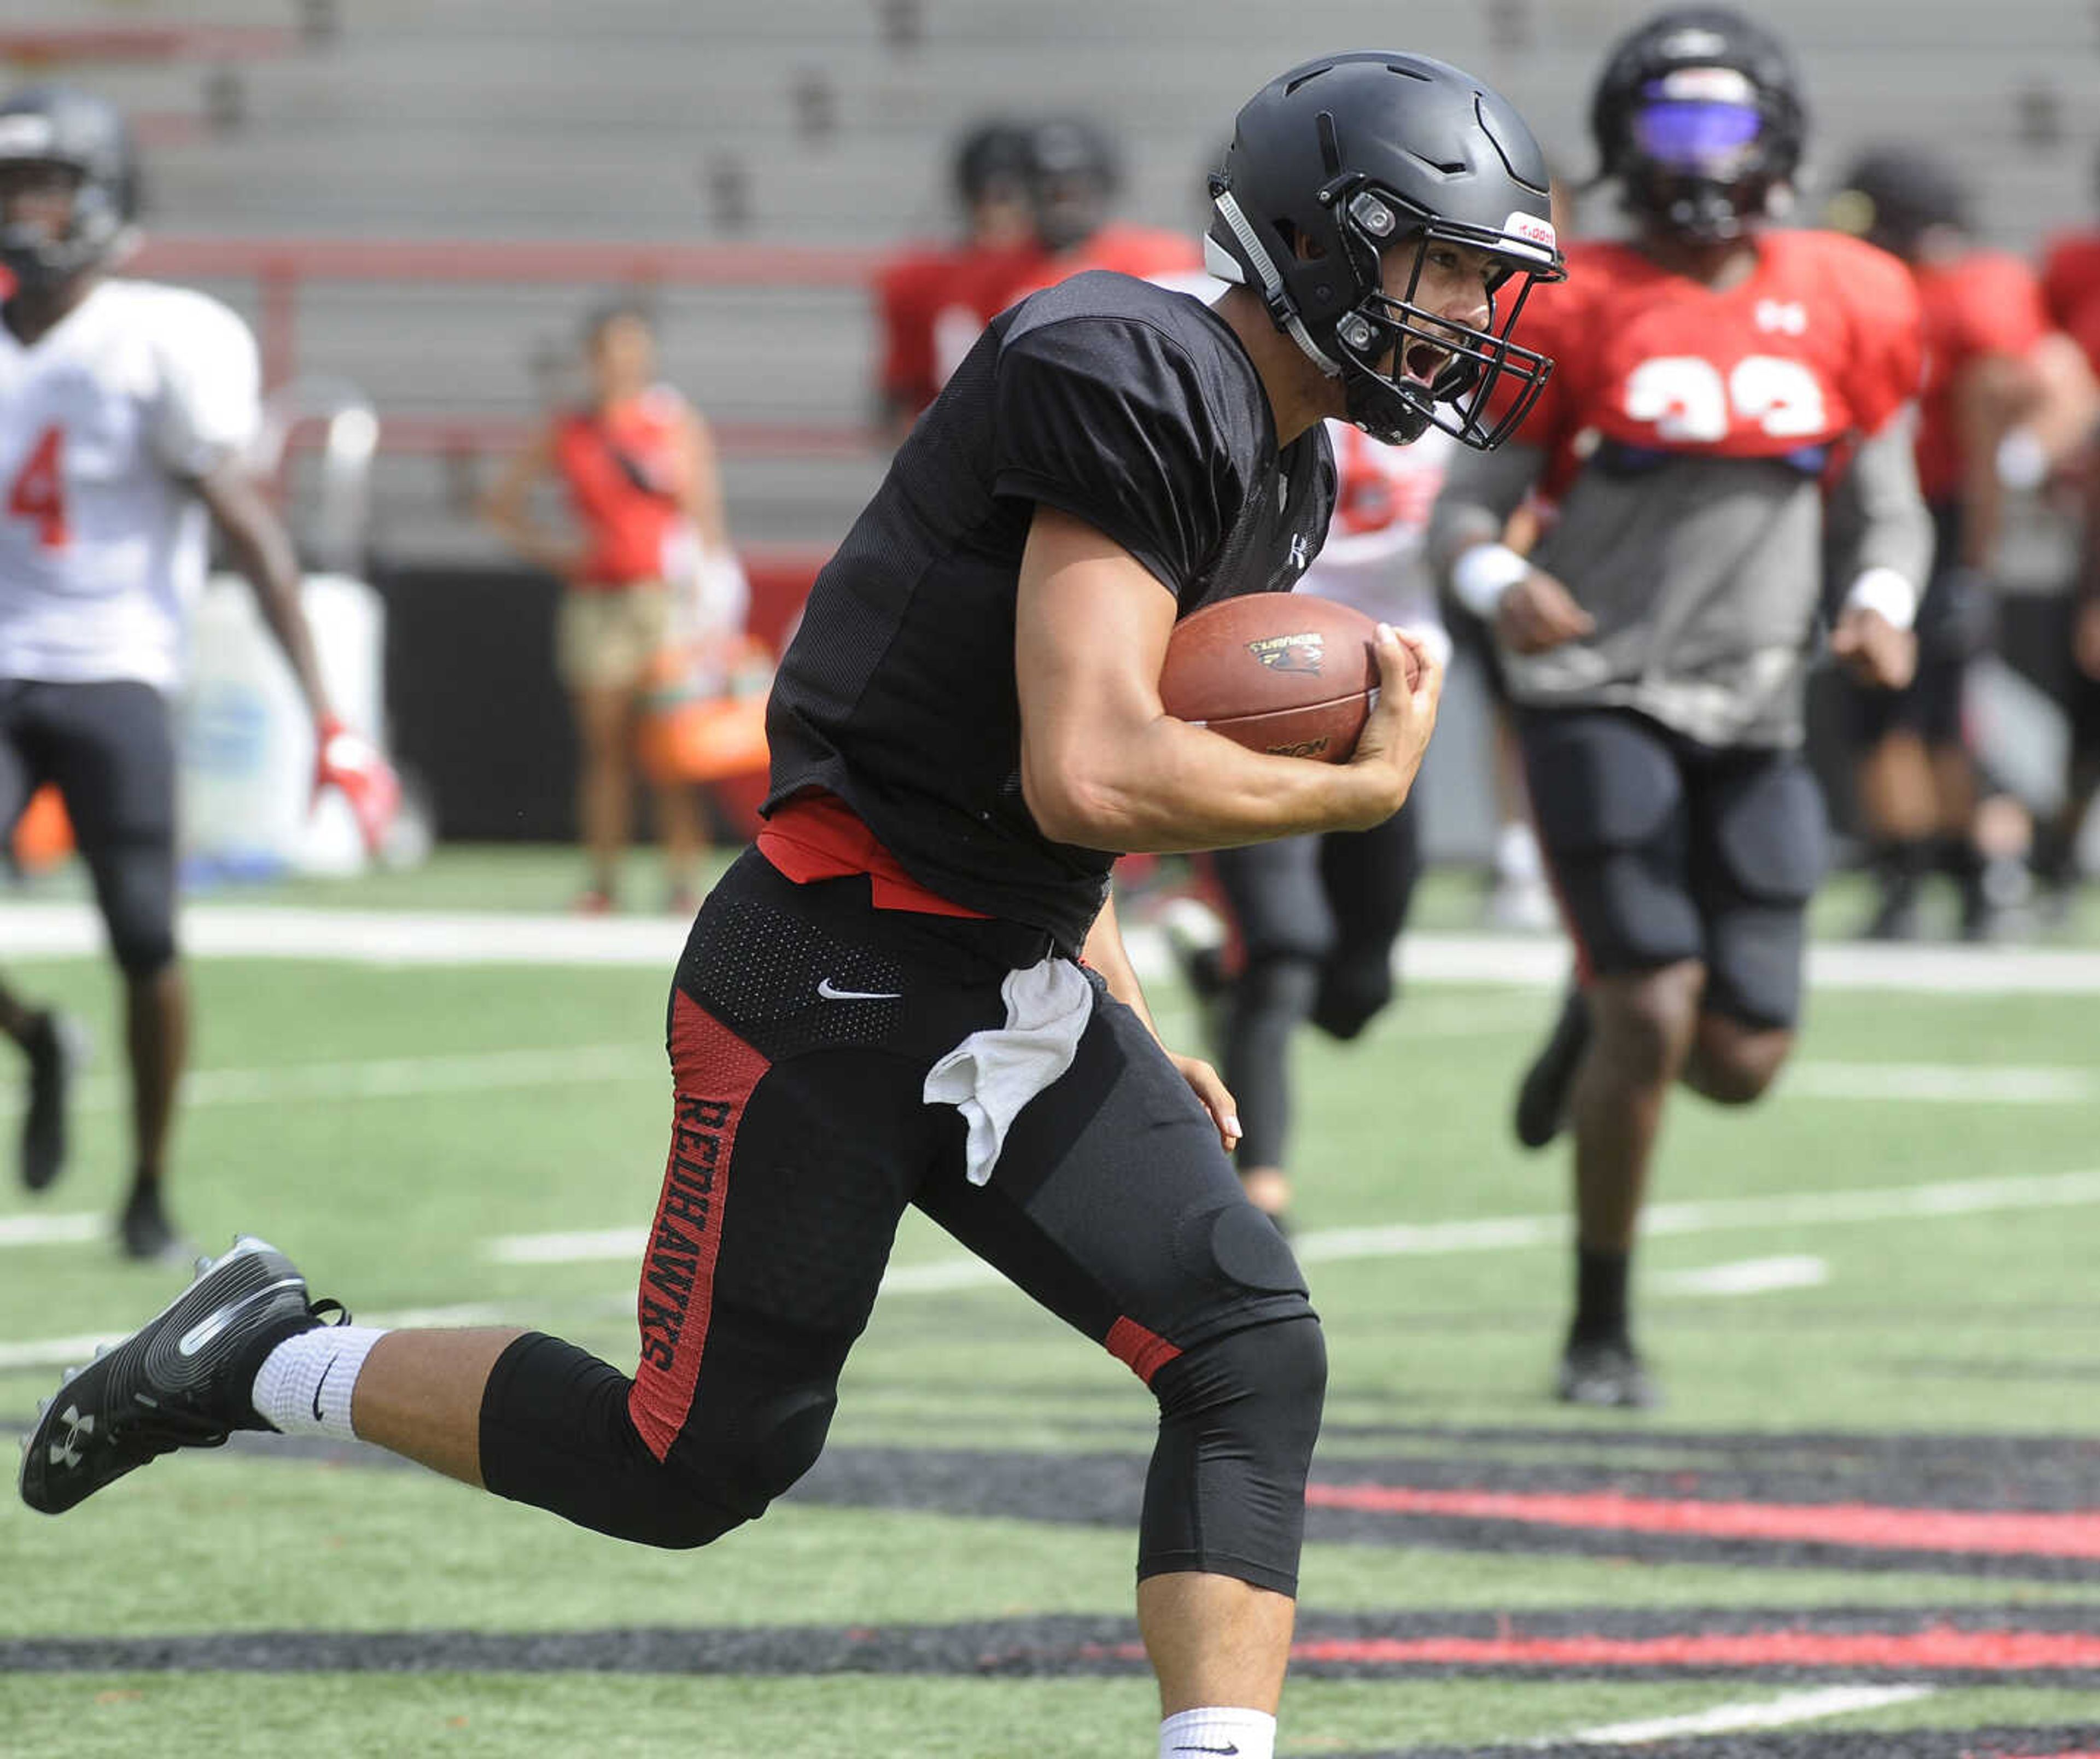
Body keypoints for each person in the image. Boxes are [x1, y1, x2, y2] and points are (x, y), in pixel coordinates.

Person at [20, 52, 1565, 1759]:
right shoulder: (1131, 362)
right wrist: (1355, 793)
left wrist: (1117, 995)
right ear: (1317, 238)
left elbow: (1049, 801)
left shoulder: (1282, 465)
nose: (1465, 315)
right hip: (830, 968)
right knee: (690, 1465)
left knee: (1247, 1350)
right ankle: (258, 1355)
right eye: (1440, 266)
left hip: (1000, 964)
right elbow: (1090, 766)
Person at [1428, 7, 1930, 1409]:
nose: (1696, 157)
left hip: (1761, 701)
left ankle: (1589, 1012)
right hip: (1594, 685)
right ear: (1619, 136)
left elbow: (1888, 510)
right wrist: (1488, 574)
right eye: (1670, 125)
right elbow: (1464, 507)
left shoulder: (1850, 293)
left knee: (1741, 1056)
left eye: (1719, 125)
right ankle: (1600, 1322)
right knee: (1656, 999)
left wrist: (1880, 604)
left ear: (1773, 137)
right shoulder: (1571, 292)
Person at [0, 85, 396, 1260]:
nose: (27, 210)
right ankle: (37, 1041)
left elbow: (255, 538)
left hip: (116, 669)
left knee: (143, 939)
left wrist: (332, 723)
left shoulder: (157, 341)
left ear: (107, 196)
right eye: (11, 186)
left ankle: (150, 1189)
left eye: (48, 186)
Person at [1825, 149, 2097, 941]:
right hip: (1888, 513)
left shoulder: (1975, 292)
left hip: (1936, 519)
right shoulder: (1901, 288)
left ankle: (1961, 873)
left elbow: (2058, 384)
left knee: (1929, 711)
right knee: (1893, 711)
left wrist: (2011, 477)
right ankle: (1928, 873)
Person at [1194, 420, 1455, 1230]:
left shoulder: (1452, 426)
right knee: (1284, 951)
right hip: (1262, 706)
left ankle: (1215, 976)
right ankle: (1262, 1187)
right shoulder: (1254, 406)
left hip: (1391, 717)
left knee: (1356, 996)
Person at [481, 303, 738, 915]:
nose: (621, 362)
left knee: (673, 749)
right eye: (609, 350)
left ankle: (683, 878)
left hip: (664, 601)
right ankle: (604, 878)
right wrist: (558, 553)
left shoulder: (672, 423)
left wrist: (712, 606)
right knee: (606, 749)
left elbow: (705, 519)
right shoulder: (570, 429)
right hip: (598, 602)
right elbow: (503, 503)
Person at [871, 118, 1036, 437]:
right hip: (959, 463)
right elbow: (899, 402)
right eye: (995, 196)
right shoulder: (919, 281)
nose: (1002, 210)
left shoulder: (1072, 272)